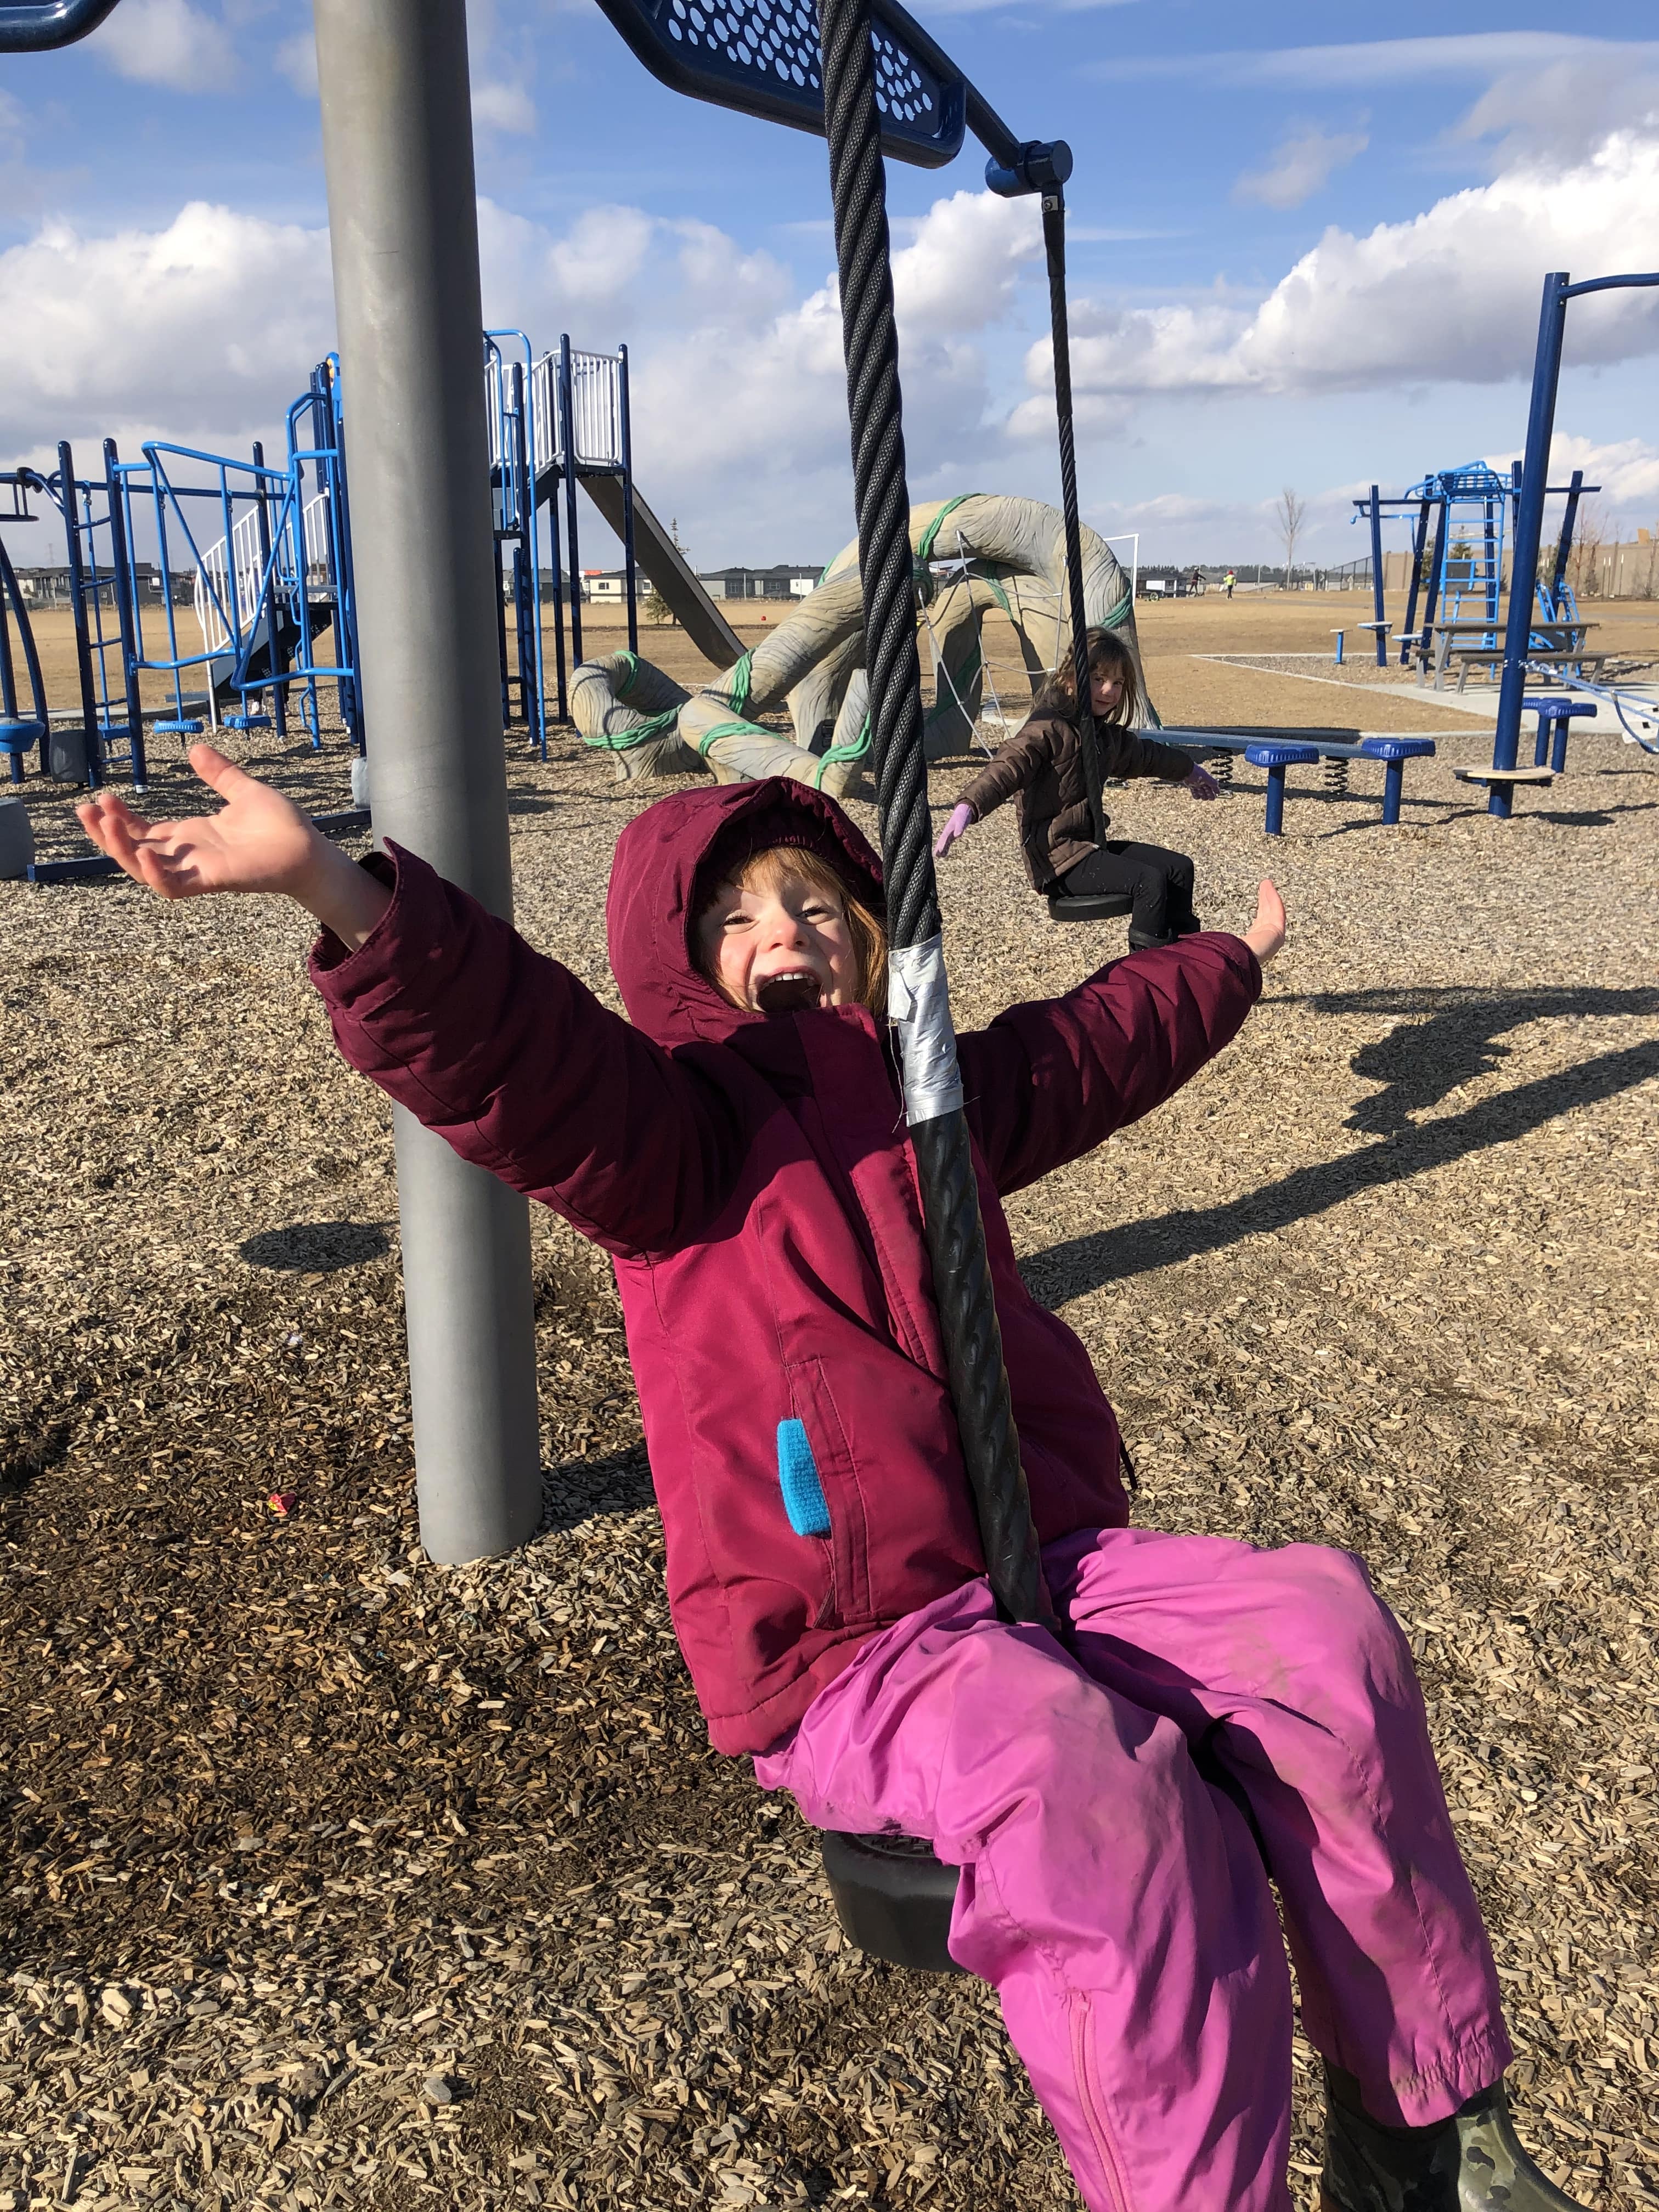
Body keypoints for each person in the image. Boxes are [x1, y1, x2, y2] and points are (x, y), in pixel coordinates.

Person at [78, 751, 1575, 2212]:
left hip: (1047, 1556)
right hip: (862, 1643)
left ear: (871, 939)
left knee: (1318, 1630)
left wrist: (1229, 960)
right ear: (682, 970)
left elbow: (1097, 1044)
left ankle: (1427, 2132)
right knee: (1086, 1790)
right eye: (733, 920)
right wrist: (338, 891)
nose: (780, 932)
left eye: (812, 906)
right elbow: (511, 1052)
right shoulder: (665, 1139)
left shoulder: (947, 1103)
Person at [933, 625, 1221, 948]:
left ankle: (1189, 961)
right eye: (1098, 678)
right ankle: (1145, 976)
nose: (1109, 690)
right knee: (1149, 882)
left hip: (1089, 847)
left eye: (1118, 683)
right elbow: (1009, 765)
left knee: (1178, 869)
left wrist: (1189, 771)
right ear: (1071, 677)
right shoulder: (1046, 728)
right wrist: (969, 806)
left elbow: (1147, 756)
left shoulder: (1103, 736)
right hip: (1059, 861)